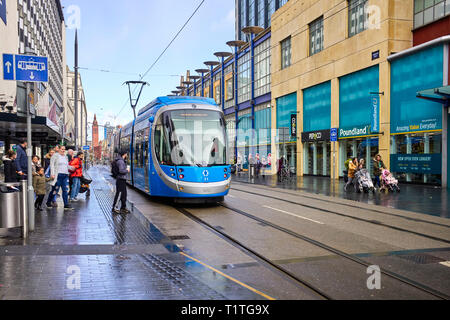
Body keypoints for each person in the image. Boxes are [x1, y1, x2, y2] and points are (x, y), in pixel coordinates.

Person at [46, 145, 73, 210]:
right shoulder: (55, 156)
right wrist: (52, 174)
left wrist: (71, 168)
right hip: (58, 175)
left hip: (65, 175)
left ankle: (66, 204)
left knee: (65, 190)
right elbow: (51, 165)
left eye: (64, 149)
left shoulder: (66, 157)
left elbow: (66, 165)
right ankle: (48, 202)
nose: (63, 150)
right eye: (62, 149)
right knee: (55, 190)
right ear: (59, 149)